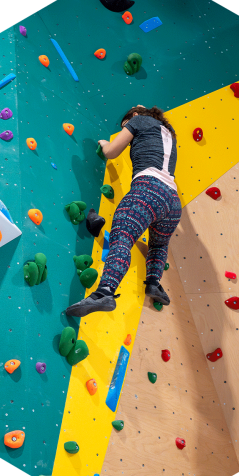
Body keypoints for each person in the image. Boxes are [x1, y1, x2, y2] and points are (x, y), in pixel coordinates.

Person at [66, 105, 182, 317]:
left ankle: (105, 291)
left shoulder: (138, 120)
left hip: (147, 190)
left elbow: (111, 152)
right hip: (173, 202)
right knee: (159, 244)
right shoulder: (169, 133)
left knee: (122, 239)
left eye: (124, 126)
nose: (124, 130)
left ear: (134, 114)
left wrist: (104, 144)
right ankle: (154, 282)